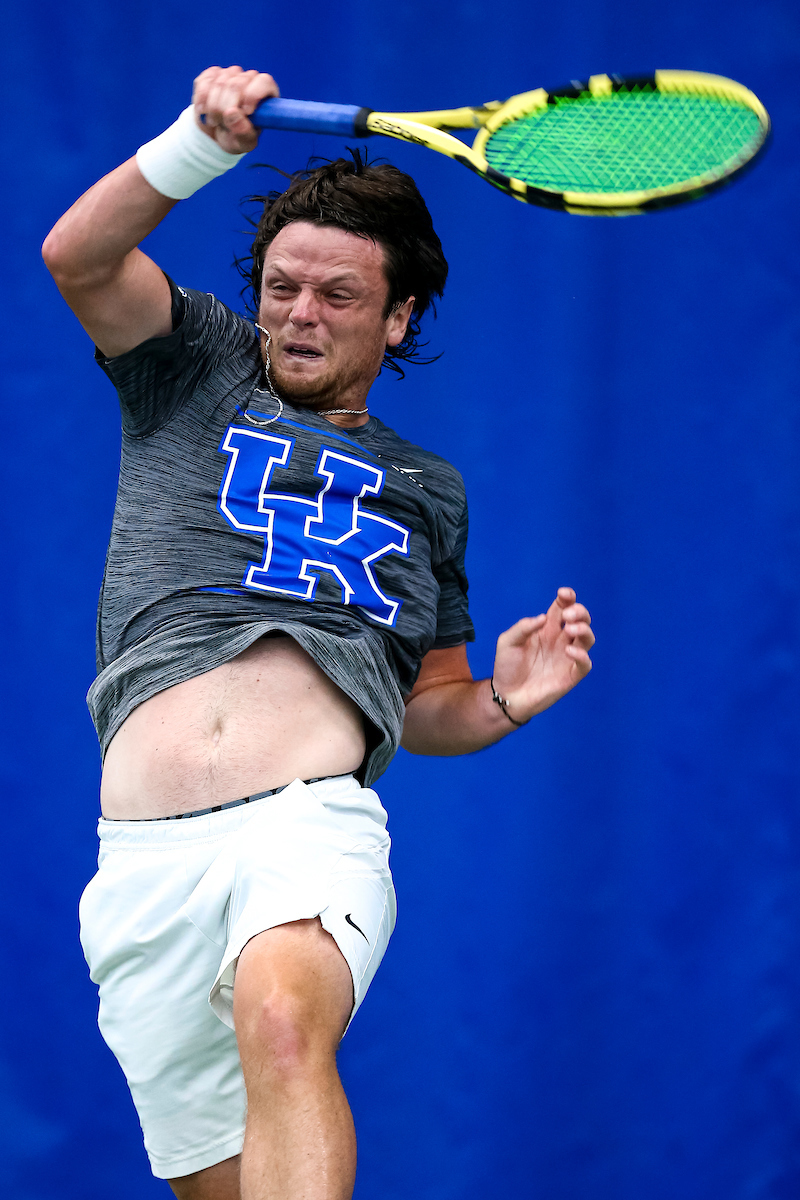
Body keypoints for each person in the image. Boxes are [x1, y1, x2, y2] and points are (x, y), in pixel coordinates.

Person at [43, 65, 595, 1200]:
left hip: (303, 829)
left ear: (397, 318)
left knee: (285, 1024)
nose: (300, 313)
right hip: (142, 867)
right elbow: (79, 258)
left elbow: (425, 704)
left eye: (338, 295)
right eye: (283, 286)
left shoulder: (426, 491)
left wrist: (501, 699)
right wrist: (196, 145)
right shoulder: (192, 370)